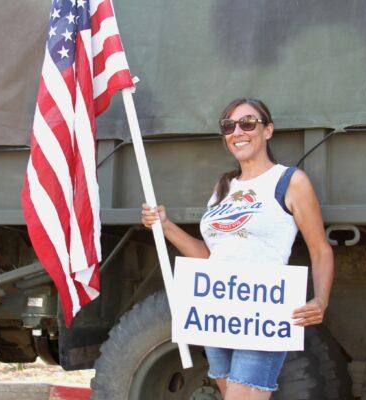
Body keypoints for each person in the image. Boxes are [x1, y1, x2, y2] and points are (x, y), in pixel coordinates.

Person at [140, 98, 334, 400]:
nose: (237, 131)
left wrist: (321, 300)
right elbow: (211, 257)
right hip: (217, 313)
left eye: (248, 123)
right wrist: (165, 226)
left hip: (262, 314)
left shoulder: (289, 181)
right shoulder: (224, 188)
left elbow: (320, 248)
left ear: (267, 130)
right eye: (229, 126)